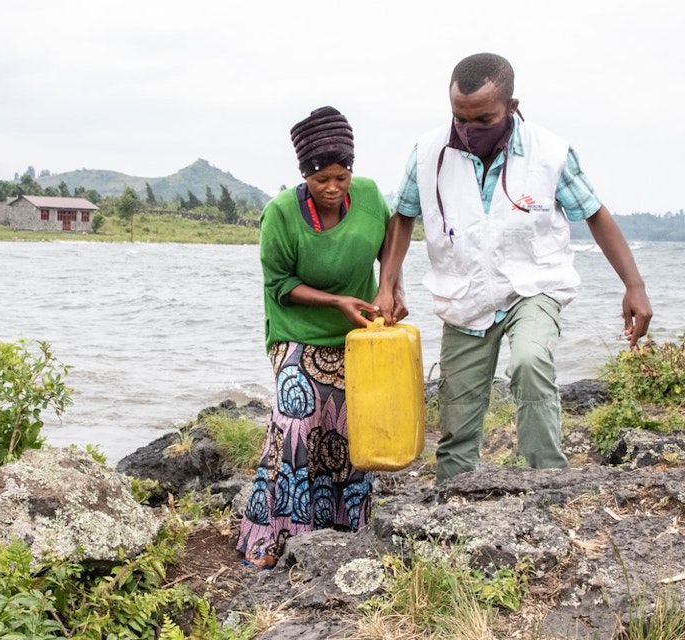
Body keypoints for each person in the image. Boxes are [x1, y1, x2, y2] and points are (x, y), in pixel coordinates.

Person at [377, 52, 653, 484]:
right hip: (464, 295)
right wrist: (387, 285)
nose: (469, 130)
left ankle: (549, 482)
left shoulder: (549, 153)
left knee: (529, 360)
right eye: (459, 118)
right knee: (457, 415)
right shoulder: (427, 152)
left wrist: (634, 286)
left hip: (534, 286)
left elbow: (594, 214)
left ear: (512, 107)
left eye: (483, 119)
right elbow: (403, 216)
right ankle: (455, 495)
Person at [236, 106, 405, 568]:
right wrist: (337, 302)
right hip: (296, 334)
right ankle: (272, 537)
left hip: (357, 337)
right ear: (304, 175)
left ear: (352, 170)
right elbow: (279, 285)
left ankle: (346, 531)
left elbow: (391, 242)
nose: (332, 187)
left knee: (353, 428)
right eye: (320, 179)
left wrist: (392, 289)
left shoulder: (368, 196)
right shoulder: (280, 214)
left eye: (341, 177)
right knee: (298, 422)